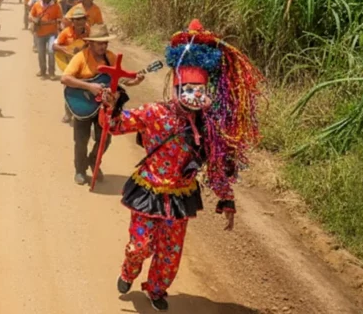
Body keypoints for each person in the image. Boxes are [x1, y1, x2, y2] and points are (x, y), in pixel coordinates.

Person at [99, 19, 264, 311]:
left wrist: (226, 199)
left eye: (199, 90)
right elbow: (115, 126)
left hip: (180, 194)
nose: (194, 96)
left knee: (170, 252)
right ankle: (128, 270)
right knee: (140, 246)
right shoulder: (153, 112)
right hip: (147, 190)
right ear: (177, 87)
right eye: (188, 88)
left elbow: (216, 165)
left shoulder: (209, 125)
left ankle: (157, 288)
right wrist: (109, 106)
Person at [61, 23, 144, 185]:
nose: (103, 46)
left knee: (105, 138)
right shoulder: (81, 57)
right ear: (90, 43)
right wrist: (89, 87)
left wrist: (136, 81)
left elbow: (122, 79)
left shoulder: (111, 57)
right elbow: (65, 78)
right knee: (81, 139)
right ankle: (80, 170)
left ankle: (93, 161)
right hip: (82, 104)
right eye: (99, 43)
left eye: (105, 43)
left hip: (104, 107)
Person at [53, 6, 90, 124]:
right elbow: (54, 46)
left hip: (84, 65)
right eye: (77, 20)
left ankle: (82, 113)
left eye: (82, 19)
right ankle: (68, 114)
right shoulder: (66, 32)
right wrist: (66, 50)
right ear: (73, 21)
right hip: (68, 64)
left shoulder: (89, 32)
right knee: (69, 88)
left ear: (85, 20)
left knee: (84, 88)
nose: (80, 22)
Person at [28, 0, 62, 79]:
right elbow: (30, 16)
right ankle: (42, 70)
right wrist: (34, 20)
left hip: (52, 33)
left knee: (51, 52)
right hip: (40, 33)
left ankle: (51, 72)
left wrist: (54, 22)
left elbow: (60, 18)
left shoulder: (56, 6)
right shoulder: (37, 5)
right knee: (41, 53)